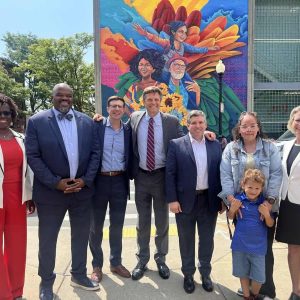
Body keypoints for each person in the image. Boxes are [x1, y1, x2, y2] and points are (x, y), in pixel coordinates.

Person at [25, 83, 101, 300]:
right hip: (51, 194)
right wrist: (55, 182)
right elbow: (33, 156)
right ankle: (46, 282)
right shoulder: (37, 122)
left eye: (69, 95)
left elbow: (96, 153)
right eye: (60, 95)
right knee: (48, 239)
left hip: (81, 192)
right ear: (53, 97)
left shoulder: (86, 121)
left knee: (80, 236)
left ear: (73, 97)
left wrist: (85, 181)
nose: (65, 98)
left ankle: (78, 274)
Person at [220, 111, 282, 300]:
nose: (248, 129)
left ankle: (265, 291)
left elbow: (276, 174)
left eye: (252, 125)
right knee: (244, 251)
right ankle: (247, 290)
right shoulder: (231, 149)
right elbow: (226, 176)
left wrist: (268, 203)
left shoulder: (270, 148)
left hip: (264, 207)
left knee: (264, 252)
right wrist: (232, 202)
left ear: (258, 127)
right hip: (242, 209)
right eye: (244, 126)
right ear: (239, 128)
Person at [130, 86, 184, 281]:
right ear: (143, 101)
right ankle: (142, 260)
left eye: (155, 99)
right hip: (141, 177)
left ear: (160, 101)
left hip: (162, 177)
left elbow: (184, 144)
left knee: (162, 222)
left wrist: (206, 135)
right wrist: (99, 122)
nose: (152, 103)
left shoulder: (171, 121)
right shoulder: (135, 118)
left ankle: (161, 258)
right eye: (149, 99)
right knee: (142, 222)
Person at [165, 110, 223, 294]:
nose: (198, 126)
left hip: (209, 200)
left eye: (201, 122)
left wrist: (222, 200)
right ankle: (188, 274)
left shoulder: (215, 144)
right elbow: (170, 174)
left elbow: (221, 174)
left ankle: (205, 273)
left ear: (206, 124)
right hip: (184, 202)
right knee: (186, 240)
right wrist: (172, 199)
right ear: (187, 124)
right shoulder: (176, 145)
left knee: (207, 240)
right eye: (194, 122)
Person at [89, 96, 132, 283]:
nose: (116, 109)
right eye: (113, 106)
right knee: (95, 226)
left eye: (119, 106)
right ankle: (96, 265)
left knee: (117, 225)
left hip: (120, 182)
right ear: (107, 108)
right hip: (99, 181)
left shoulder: (129, 130)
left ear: (124, 110)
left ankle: (115, 262)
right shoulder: (96, 126)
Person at [0, 93, 35, 300]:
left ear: (12, 115)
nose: (2, 117)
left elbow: (27, 171)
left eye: (6, 113)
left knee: (17, 246)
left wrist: (30, 196)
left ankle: (16, 291)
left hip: (17, 199)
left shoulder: (21, 138)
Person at [228, 169, 274, 300]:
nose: (253, 191)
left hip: (258, 248)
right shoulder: (238, 200)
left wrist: (266, 214)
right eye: (250, 187)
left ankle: (253, 294)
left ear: (261, 189)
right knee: (242, 274)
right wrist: (233, 208)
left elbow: (270, 224)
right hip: (240, 245)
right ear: (243, 185)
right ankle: (247, 297)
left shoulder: (264, 203)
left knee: (258, 278)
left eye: (257, 188)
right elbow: (231, 216)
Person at [276, 106, 300, 300]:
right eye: (297, 120)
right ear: (292, 123)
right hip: (289, 204)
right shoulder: (285, 145)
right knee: (293, 249)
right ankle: (296, 290)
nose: (299, 124)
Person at [134, 21, 219, 71]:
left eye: (185, 33)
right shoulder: (168, 43)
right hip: (165, 71)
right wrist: (145, 34)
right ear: (174, 32)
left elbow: (195, 49)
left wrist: (208, 48)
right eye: (180, 32)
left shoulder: (183, 45)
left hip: (177, 70)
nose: (183, 35)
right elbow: (156, 39)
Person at [118, 49, 165, 114]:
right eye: (141, 64)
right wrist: (131, 116)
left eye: (147, 65)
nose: (143, 68)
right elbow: (122, 103)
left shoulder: (161, 87)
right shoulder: (132, 86)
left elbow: (166, 107)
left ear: (154, 68)